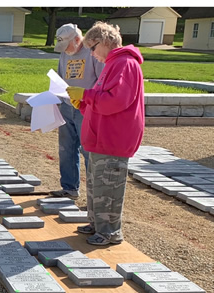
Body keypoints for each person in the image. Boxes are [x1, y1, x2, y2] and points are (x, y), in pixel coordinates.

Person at [66, 21, 144, 247]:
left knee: (109, 186)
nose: (91, 54)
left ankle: (110, 231)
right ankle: (97, 223)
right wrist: (83, 103)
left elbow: (117, 101)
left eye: (93, 47)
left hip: (113, 140)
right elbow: (100, 102)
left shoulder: (125, 63)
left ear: (106, 42)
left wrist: (87, 95)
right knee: (97, 185)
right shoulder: (113, 64)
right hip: (100, 139)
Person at [50, 24, 103, 203]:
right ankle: (69, 188)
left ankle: (93, 197)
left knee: (88, 151)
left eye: (67, 46)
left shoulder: (92, 53)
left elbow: (101, 82)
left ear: (78, 40)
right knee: (66, 149)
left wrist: (88, 99)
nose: (65, 50)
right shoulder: (65, 53)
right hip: (66, 105)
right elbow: (59, 78)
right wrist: (56, 100)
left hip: (86, 108)